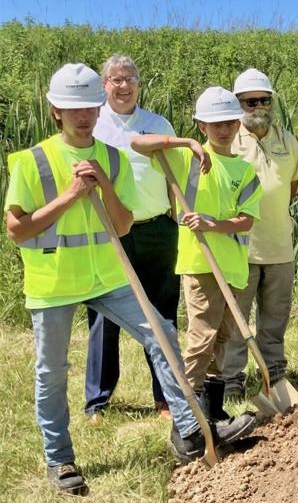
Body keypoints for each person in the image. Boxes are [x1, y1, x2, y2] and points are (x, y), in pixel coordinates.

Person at [4, 64, 252, 495]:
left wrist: (104, 187)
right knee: (52, 371)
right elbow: (17, 230)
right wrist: (68, 197)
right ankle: (60, 458)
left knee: (162, 331)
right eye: (72, 108)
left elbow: (121, 225)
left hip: (108, 273)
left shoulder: (112, 156)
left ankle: (188, 429)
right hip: (54, 281)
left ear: (99, 110)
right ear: (55, 110)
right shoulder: (32, 160)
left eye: (89, 108)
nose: (83, 116)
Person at [132, 86, 263, 423]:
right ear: (201, 126)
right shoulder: (187, 159)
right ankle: (186, 414)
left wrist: (213, 223)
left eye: (229, 123)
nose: (223, 129)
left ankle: (212, 409)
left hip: (232, 266)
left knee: (222, 338)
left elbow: (246, 220)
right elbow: (137, 143)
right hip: (200, 263)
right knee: (202, 337)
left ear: (238, 124)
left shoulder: (245, 171)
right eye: (214, 124)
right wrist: (185, 143)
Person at [84, 54, 180, 423]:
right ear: (104, 85)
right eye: (116, 79)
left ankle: (165, 396)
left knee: (162, 311)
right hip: (110, 232)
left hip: (157, 229)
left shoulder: (157, 123)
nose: (124, 86)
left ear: (139, 84)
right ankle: (98, 400)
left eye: (130, 79)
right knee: (104, 315)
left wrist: (177, 218)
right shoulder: (94, 126)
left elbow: (173, 176)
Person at [223, 68, 298, 401]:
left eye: (264, 100)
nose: (258, 106)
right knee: (235, 320)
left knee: (275, 317)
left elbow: (293, 185)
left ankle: (273, 373)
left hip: (279, 245)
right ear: (238, 104)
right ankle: (231, 379)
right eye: (249, 101)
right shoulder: (227, 139)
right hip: (241, 247)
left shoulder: (286, 139)